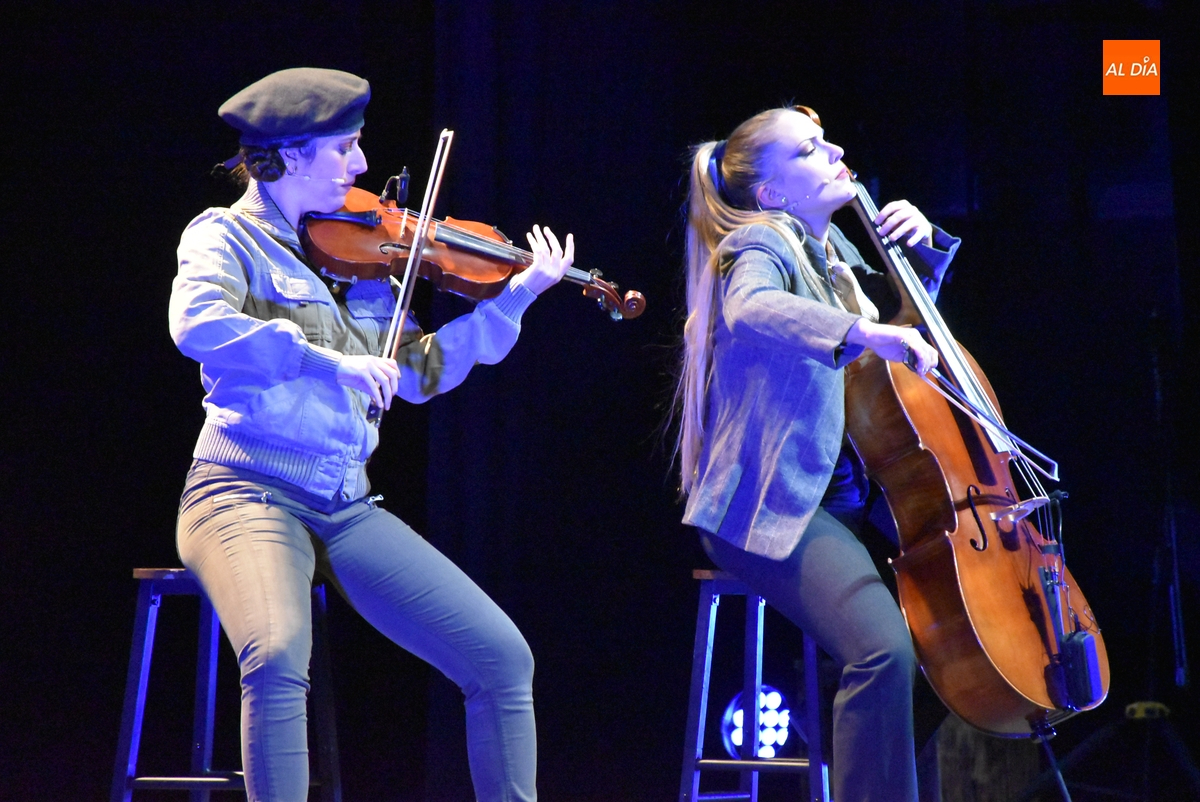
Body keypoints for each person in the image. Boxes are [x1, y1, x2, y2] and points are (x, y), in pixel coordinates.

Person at [169, 67, 573, 802]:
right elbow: (197, 325)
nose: (361, 167)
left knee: (501, 658)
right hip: (244, 491)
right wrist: (329, 363)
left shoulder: (363, 251)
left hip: (344, 503)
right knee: (279, 650)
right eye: (346, 149)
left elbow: (414, 374)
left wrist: (513, 300)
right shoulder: (222, 237)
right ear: (289, 155)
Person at [673, 105, 960, 802]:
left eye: (826, 141)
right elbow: (752, 308)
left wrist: (920, 259)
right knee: (882, 651)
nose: (832, 151)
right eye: (807, 150)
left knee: (952, 651)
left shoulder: (831, 256)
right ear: (771, 193)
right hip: (770, 505)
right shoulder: (762, 242)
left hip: (850, 504)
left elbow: (900, 356)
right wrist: (870, 330)